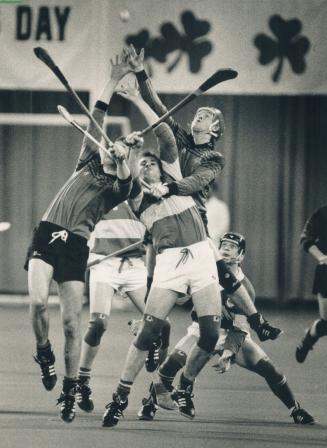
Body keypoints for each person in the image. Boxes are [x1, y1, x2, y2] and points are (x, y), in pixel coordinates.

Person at [123, 44, 282, 343]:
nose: (199, 115)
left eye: (206, 115)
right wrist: (140, 72)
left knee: (217, 271)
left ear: (216, 128)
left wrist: (169, 187)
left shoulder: (214, 158)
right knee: (157, 268)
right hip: (162, 212)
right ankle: (252, 321)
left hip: (192, 216)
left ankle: (252, 321)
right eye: (197, 112)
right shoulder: (180, 138)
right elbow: (157, 107)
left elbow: (195, 182)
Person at [102, 80, 222, 427]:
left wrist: (139, 97)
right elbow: (124, 176)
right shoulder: (136, 197)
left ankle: (171, 385)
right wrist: (123, 159)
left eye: (150, 163)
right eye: (143, 166)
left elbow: (166, 135)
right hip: (170, 264)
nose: (147, 167)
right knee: (148, 333)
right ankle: (120, 397)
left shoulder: (174, 171)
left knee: (211, 335)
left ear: (161, 165)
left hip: (200, 255)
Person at [24, 55, 134, 423]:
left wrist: (123, 160)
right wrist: (115, 77)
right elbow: (97, 114)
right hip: (48, 231)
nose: (109, 146)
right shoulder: (86, 161)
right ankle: (43, 352)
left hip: (76, 245)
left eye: (115, 148)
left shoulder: (117, 188)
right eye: (108, 146)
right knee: (38, 303)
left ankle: (68, 392)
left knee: (72, 324)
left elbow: (125, 179)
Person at [140, 232, 315, 425]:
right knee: (170, 366)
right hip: (201, 330)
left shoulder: (245, 289)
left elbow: (239, 327)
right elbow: (179, 297)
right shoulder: (205, 273)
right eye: (223, 245)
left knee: (270, 370)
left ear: (241, 256)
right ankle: (151, 403)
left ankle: (295, 409)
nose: (225, 249)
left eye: (232, 247)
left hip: (230, 333)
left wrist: (228, 354)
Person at [76, 200, 171, 411]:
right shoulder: (99, 196)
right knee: (98, 324)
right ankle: (82, 382)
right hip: (103, 264)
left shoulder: (142, 199)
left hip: (135, 267)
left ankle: (160, 384)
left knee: (163, 326)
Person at [296, 205, 327, 363]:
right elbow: (306, 239)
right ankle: (309, 339)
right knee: (326, 323)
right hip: (326, 273)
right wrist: (322, 257)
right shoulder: (322, 213)